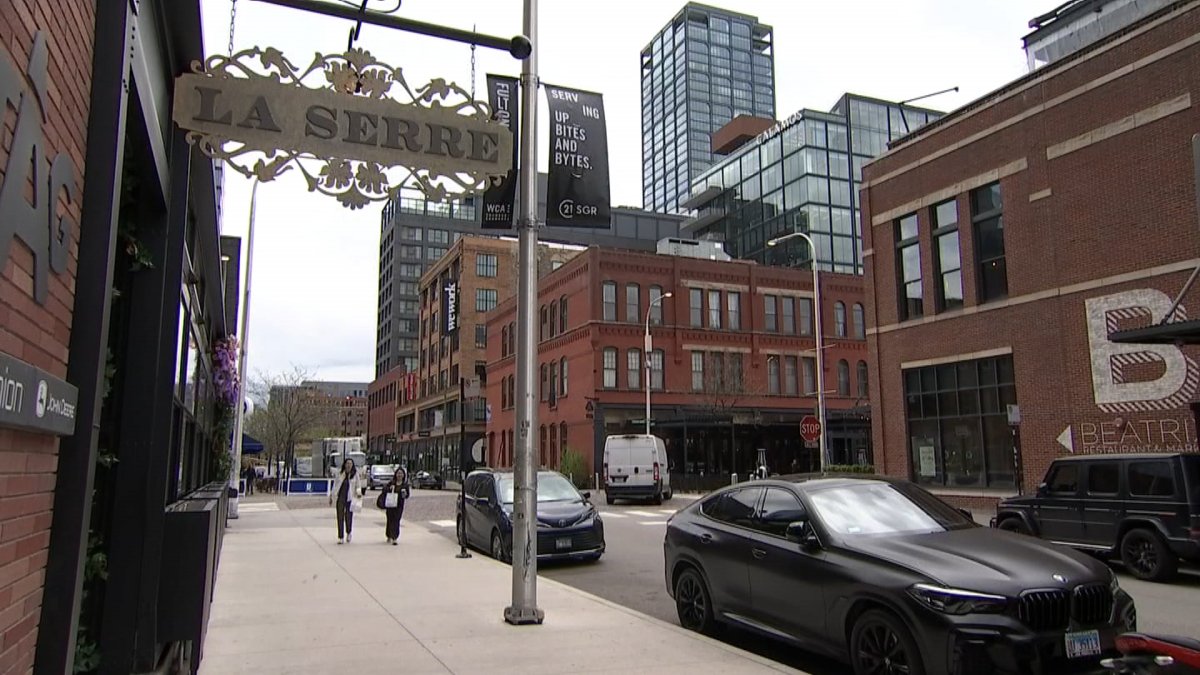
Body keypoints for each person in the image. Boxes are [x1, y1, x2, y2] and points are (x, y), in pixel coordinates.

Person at [330, 458, 365, 544]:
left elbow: (358, 485)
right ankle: (340, 536)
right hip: (341, 497)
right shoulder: (340, 474)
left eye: (350, 463)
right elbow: (335, 485)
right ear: (344, 464)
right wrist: (332, 495)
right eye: (347, 463)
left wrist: (359, 494)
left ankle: (349, 532)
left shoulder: (355, 474)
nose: (349, 465)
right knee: (340, 517)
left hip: (350, 498)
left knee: (349, 517)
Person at [377, 466, 411, 545]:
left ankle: (395, 537)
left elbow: (407, 496)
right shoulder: (391, 483)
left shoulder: (405, 485)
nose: (399, 475)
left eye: (401, 473)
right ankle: (389, 535)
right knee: (390, 520)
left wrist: (404, 494)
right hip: (390, 504)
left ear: (403, 475)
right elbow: (384, 490)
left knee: (396, 520)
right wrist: (389, 488)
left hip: (399, 505)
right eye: (398, 473)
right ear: (395, 474)